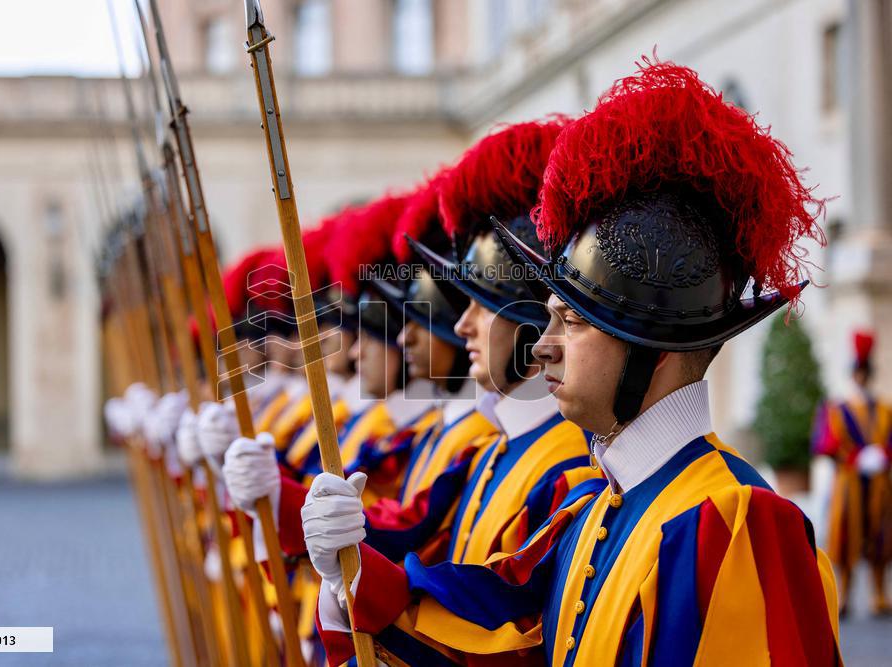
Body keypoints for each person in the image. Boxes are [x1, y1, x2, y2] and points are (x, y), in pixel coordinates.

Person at [304, 59, 841, 666]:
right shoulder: (593, 509)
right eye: (550, 316)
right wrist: (351, 580)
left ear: (652, 345)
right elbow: (489, 627)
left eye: (576, 322)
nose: (543, 345)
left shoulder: (737, 525)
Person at [815, 330, 892, 616]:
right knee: (846, 540)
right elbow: (824, 443)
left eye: (864, 372)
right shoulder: (836, 409)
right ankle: (844, 595)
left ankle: (880, 593)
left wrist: (883, 455)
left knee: (881, 541)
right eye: (858, 372)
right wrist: (857, 458)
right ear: (852, 374)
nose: (861, 377)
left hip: (879, 485)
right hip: (848, 484)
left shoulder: (884, 409)